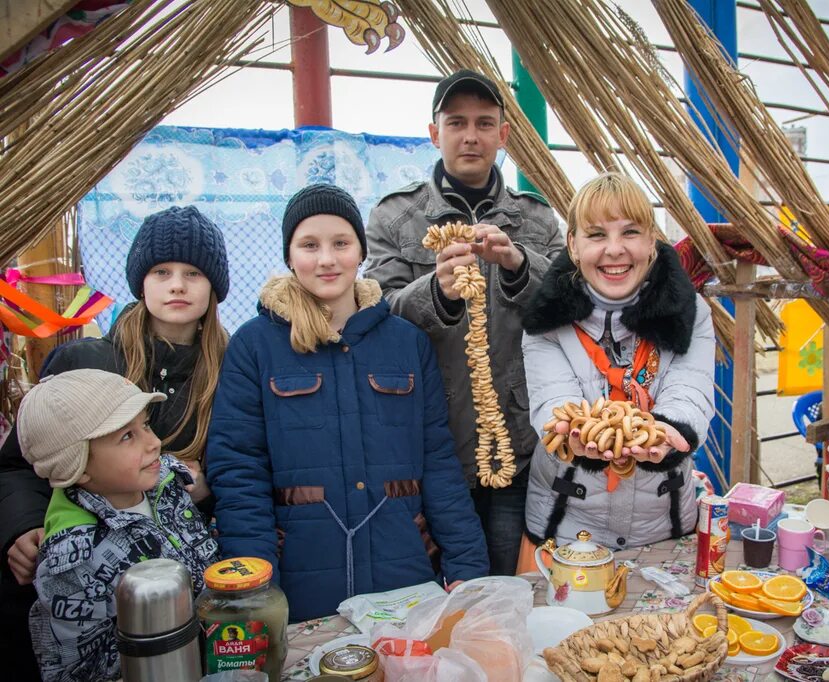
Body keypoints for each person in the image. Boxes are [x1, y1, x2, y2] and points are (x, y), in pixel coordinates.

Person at [206, 184, 488, 622]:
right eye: (309, 245)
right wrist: (256, 591)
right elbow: (239, 472)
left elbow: (437, 460)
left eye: (341, 243)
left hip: (404, 574)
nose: (326, 259)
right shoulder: (254, 346)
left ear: (360, 251)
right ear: (289, 255)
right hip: (301, 582)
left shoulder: (406, 342)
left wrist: (467, 567)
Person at [0, 205, 229, 680]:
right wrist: (20, 524)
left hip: (180, 577)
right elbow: (18, 464)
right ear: (139, 282)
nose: (178, 285)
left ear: (214, 286)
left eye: (193, 273)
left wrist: (210, 486)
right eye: (161, 271)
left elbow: (248, 462)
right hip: (84, 580)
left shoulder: (231, 373)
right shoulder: (85, 362)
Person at [364, 69, 564, 575]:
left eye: (483, 122)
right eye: (456, 123)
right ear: (435, 133)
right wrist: (435, 292)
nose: (470, 135)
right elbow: (374, 313)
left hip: (516, 443)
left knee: (505, 587)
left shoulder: (537, 222)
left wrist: (520, 264)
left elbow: (571, 305)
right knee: (425, 589)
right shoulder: (395, 218)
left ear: (504, 135)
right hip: (426, 440)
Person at [520, 173, 715, 549]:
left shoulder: (691, 313)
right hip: (566, 526)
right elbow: (555, 402)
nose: (614, 250)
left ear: (651, 242)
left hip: (663, 522)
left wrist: (670, 432)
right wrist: (574, 438)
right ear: (573, 246)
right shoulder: (546, 323)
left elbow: (690, 390)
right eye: (596, 235)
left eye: (630, 232)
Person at [19, 369, 219, 682]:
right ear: (78, 465)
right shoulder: (73, 559)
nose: (154, 442)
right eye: (127, 436)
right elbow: (77, 670)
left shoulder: (165, 480)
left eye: (146, 425)